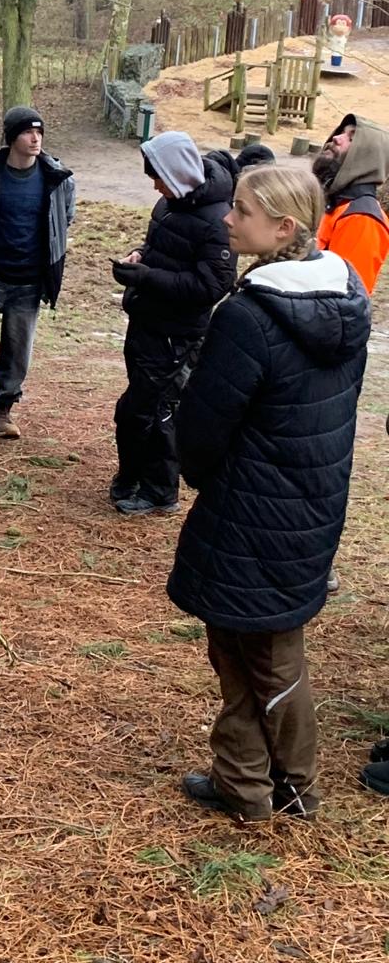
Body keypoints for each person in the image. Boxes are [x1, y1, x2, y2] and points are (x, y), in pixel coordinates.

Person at [168, 164, 369, 822]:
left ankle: (290, 790)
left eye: (242, 210)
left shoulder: (249, 316)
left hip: (255, 509)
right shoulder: (345, 297)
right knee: (247, 645)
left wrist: (201, 472)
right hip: (312, 501)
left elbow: (204, 426)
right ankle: (245, 781)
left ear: (283, 228)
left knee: (264, 654)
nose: (227, 218)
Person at [110, 131, 233, 517]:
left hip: (175, 335)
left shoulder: (217, 221)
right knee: (136, 408)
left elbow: (211, 286)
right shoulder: (169, 204)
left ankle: (160, 490)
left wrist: (147, 277)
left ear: (178, 173)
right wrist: (139, 255)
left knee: (155, 410)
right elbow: (161, 248)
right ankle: (132, 476)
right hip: (147, 321)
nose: (154, 185)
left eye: (157, 177)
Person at [0, 105, 75, 439]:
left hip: (29, 283)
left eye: (39, 132)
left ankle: (2, 410)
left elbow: (64, 219)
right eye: (27, 132)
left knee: (19, 352)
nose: (35, 138)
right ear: (11, 138)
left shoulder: (58, 178)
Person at [312, 113, 389, 296]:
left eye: (351, 138)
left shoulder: (362, 218)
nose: (336, 138)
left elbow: (345, 299)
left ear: (367, 158)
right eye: (341, 132)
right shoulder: (335, 204)